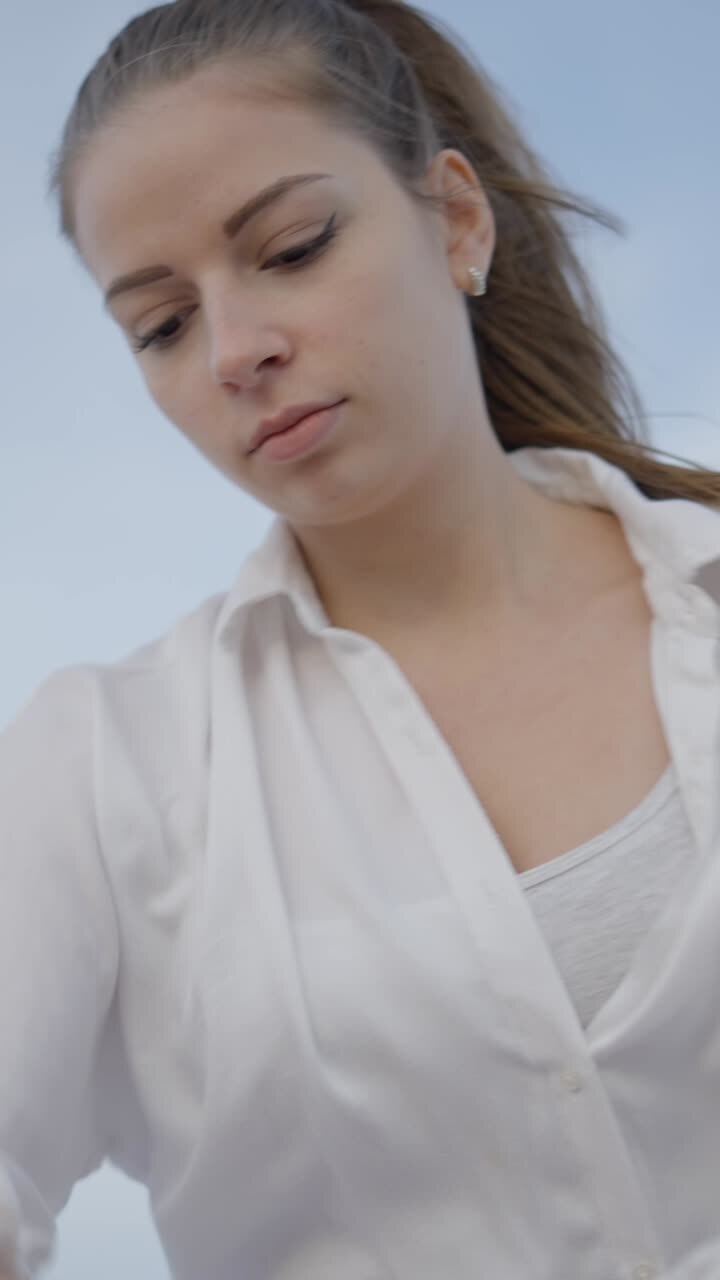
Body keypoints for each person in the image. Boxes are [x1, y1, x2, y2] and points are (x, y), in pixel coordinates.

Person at [1, 0, 719, 1276]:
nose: (234, 350)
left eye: (291, 246)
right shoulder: (103, 770)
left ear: (456, 218)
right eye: (160, 325)